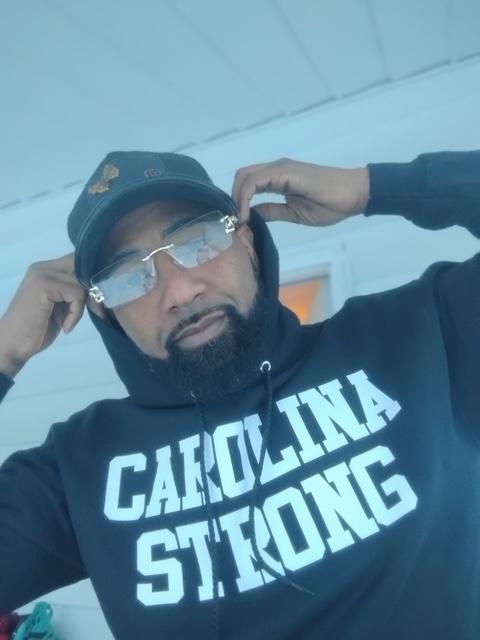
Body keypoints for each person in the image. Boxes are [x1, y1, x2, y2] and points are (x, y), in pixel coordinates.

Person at [0, 148, 479, 639]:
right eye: (128, 276)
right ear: (106, 312)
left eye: (197, 241)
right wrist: (4, 353)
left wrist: (372, 187)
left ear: (247, 243)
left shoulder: (414, 336)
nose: (179, 291)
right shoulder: (80, 466)